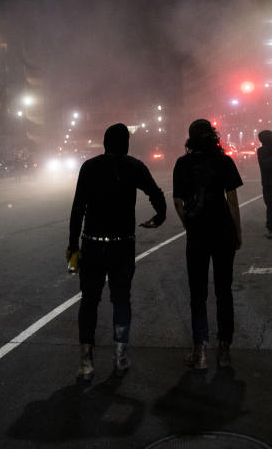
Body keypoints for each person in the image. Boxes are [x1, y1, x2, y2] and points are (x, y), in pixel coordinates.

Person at [67, 123, 166, 382]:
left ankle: (85, 361)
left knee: (89, 301)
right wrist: (159, 216)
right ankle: (120, 355)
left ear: (104, 142)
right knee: (121, 300)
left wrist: (72, 244)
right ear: (126, 144)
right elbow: (156, 194)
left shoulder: (89, 167)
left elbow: (78, 207)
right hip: (122, 244)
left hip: (92, 243)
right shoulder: (134, 166)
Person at [172, 119, 243, 370]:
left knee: (197, 292)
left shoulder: (183, 163)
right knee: (224, 290)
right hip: (223, 230)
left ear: (190, 138)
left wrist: (189, 226)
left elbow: (178, 203)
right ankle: (224, 348)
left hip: (198, 233)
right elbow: (232, 200)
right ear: (213, 136)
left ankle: (199, 349)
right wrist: (238, 233)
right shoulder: (224, 161)